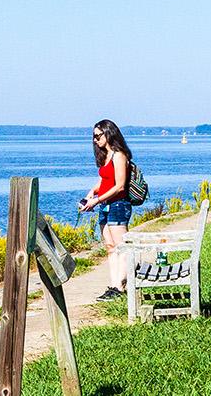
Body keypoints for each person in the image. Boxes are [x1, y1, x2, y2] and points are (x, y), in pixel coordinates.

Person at [79, 120, 133, 301]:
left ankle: (120, 286)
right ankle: (114, 285)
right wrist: (90, 194)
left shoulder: (119, 156)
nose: (95, 140)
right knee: (110, 247)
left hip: (118, 205)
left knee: (122, 247)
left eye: (98, 136)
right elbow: (104, 180)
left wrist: (96, 200)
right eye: (93, 137)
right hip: (105, 205)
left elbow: (119, 186)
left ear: (109, 134)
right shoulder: (106, 156)